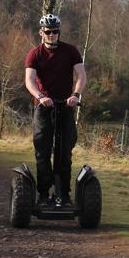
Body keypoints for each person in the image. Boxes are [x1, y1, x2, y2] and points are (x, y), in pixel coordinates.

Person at [24, 13, 86, 206]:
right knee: (42, 149)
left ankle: (64, 194)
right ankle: (43, 194)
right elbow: (29, 80)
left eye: (55, 32)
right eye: (48, 32)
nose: (52, 35)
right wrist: (41, 97)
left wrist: (75, 96)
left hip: (65, 105)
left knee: (64, 150)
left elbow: (81, 76)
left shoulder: (71, 51)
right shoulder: (35, 54)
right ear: (41, 32)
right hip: (44, 107)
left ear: (59, 32)